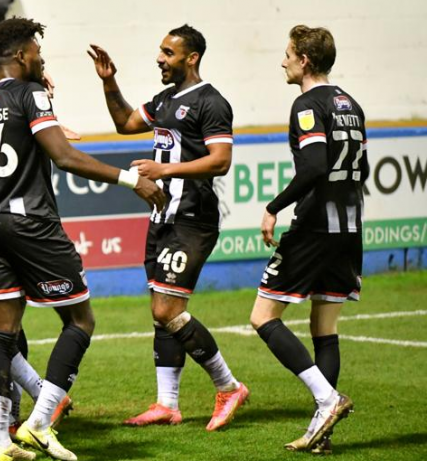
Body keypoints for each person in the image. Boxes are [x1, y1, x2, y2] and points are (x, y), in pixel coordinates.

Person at [0, 17, 165, 461]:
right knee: (80, 321)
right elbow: (64, 155)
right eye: (37, 51)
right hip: (33, 222)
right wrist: (133, 181)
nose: (42, 58)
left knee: (3, 334)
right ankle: (38, 423)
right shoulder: (30, 93)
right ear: (19, 55)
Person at [88, 24, 249, 431]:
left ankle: (228, 386)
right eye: (160, 51)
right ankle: (167, 404)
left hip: (192, 217)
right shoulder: (164, 100)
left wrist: (165, 170)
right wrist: (110, 83)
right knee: (160, 311)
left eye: (168, 53)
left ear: (190, 58)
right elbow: (125, 122)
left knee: (167, 308)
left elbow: (220, 160)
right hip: (163, 216)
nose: (160, 58)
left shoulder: (211, 102)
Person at [249, 25, 361, 453]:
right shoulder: (351, 104)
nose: (283, 61)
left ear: (304, 61)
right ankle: (322, 435)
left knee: (263, 316)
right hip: (349, 226)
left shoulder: (307, 105)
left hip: (315, 227)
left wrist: (274, 206)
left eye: (288, 54)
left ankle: (326, 398)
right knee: (324, 327)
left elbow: (313, 166)